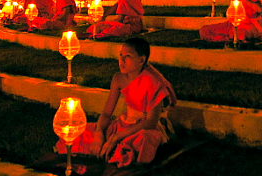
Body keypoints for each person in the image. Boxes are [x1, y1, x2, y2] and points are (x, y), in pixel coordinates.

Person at [58, 37, 175, 166]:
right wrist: (98, 135)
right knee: (83, 131)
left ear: (141, 60)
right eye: (121, 55)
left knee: (143, 140)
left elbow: (151, 122)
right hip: (123, 123)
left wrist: (116, 138)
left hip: (143, 128)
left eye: (128, 56)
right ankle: (111, 150)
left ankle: (117, 151)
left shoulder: (152, 82)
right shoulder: (118, 79)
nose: (122, 60)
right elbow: (107, 113)